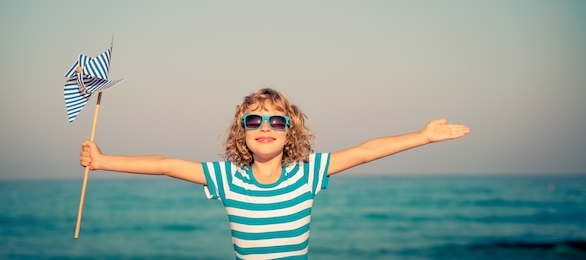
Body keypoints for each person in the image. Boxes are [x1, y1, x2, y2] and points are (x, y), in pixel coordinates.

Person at [79, 88, 470, 259]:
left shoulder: (308, 173)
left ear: (289, 133)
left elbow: (366, 152)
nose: (265, 127)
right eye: (254, 120)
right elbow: (165, 165)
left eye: (276, 121)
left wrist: (422, 136)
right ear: (243, 132)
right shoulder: (226, 178)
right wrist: (102, 160)